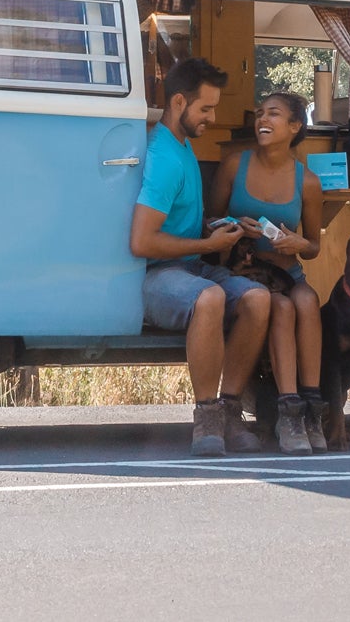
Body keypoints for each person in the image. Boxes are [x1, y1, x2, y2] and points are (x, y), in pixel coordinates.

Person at [130, 57, 272, 457]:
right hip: (157, 276)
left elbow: (180, 223)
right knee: (208, 298)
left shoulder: (183, 145)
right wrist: (209, 247)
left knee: (258, 299)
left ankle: (229, 411)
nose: (212, 117)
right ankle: (206, 417)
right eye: (205, 109)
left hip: (191, 265)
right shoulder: (163, 158)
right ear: (179, 103)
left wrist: (220, 224)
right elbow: (142, 242)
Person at [208, 91, 327, 454]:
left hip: (286, 271)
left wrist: (297, 243)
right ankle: (289, 413)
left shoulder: (307, 182)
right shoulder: (234, 165)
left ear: (294, 126)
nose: (263, 120)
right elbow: (206, 222)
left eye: (273, 114)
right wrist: (232, 223)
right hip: (245, 273)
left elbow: (314, 246)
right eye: (260, 113)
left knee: (308, 301)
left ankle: (312, 412)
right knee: (284, 307)